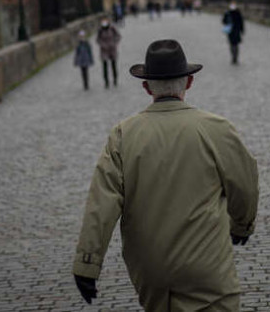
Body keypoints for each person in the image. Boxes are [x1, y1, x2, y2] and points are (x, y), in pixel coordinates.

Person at [72, 39, 259, 311]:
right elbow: (245, 185)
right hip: (207, 263)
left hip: (151, 269)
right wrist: (242, 225)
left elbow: (101, 204)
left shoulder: (123, 135)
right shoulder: (218, 129)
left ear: (146, 87)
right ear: (189, 82)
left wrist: (87, 263)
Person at [96, 17, 122, 88]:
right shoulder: (100, 30)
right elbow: (98, 40)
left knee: (113, 65)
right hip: (104, 51)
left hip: (112, 50)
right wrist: (103, 45)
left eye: (105, 21)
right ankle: (106, 82)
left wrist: (114, 43)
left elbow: (118, 36)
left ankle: (115, 79)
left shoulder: (112, 28)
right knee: (105, 66)